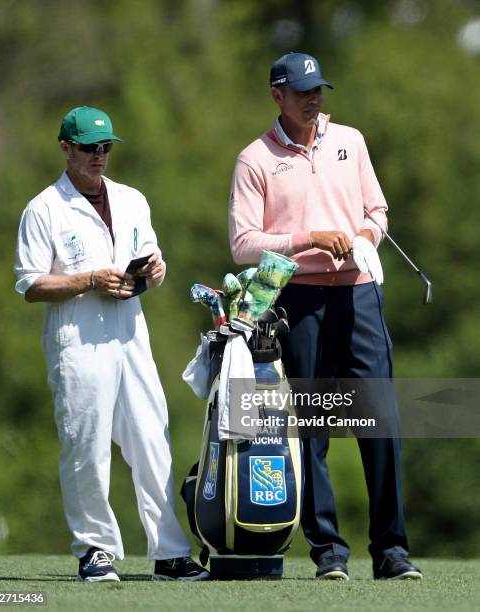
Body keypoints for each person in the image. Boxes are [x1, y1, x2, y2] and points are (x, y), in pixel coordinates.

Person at [228, 53, 422, 580]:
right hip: (301, 301)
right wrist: (309, 239)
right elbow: (243, 244)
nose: (314, 100)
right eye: (303, 92)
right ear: (277, 95)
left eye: (319, 91)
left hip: (359, 295)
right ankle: (329, 553)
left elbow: (376, 210)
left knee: (381, 421)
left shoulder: (350, 142)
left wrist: (362, 238)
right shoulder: (255, 160)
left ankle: (392, 551)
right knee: (313, 427)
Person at [14, 106, 208, 582]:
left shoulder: (132, 199)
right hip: (77, 340)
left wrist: (155, 272)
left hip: (130, 335)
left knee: (151, 437)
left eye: (105, 148)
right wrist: (87, 280)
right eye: (89, 148)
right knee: (87, 444)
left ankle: (169, 553)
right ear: (65, 147)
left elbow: (149, 260)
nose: (99, 157)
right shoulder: (44, 209)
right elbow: (30, 284)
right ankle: (95, 550)